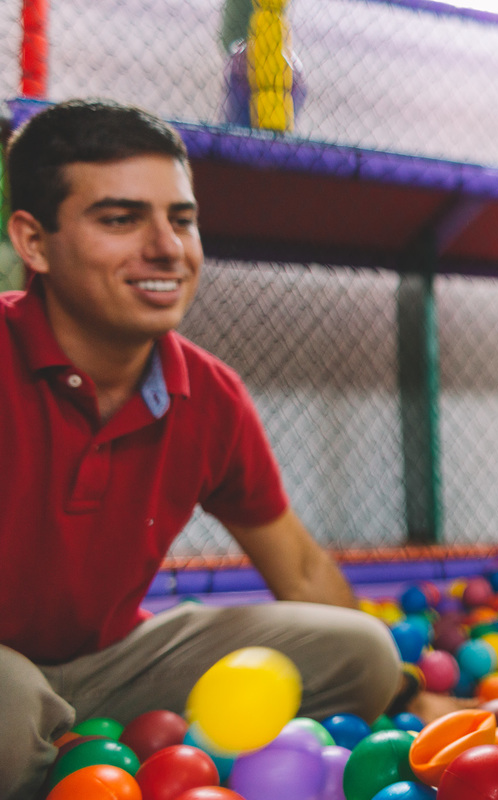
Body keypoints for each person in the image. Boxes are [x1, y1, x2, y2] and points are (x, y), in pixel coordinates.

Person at [0, 99, 403, 798]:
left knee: (362, 655)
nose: (168, 248)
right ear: (34, 243)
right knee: (10, 713)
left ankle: (62, 747)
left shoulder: (208, 395)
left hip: (108, 665)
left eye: (181, 220)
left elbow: (300, 568)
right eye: (121, 219)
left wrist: (407, 704)